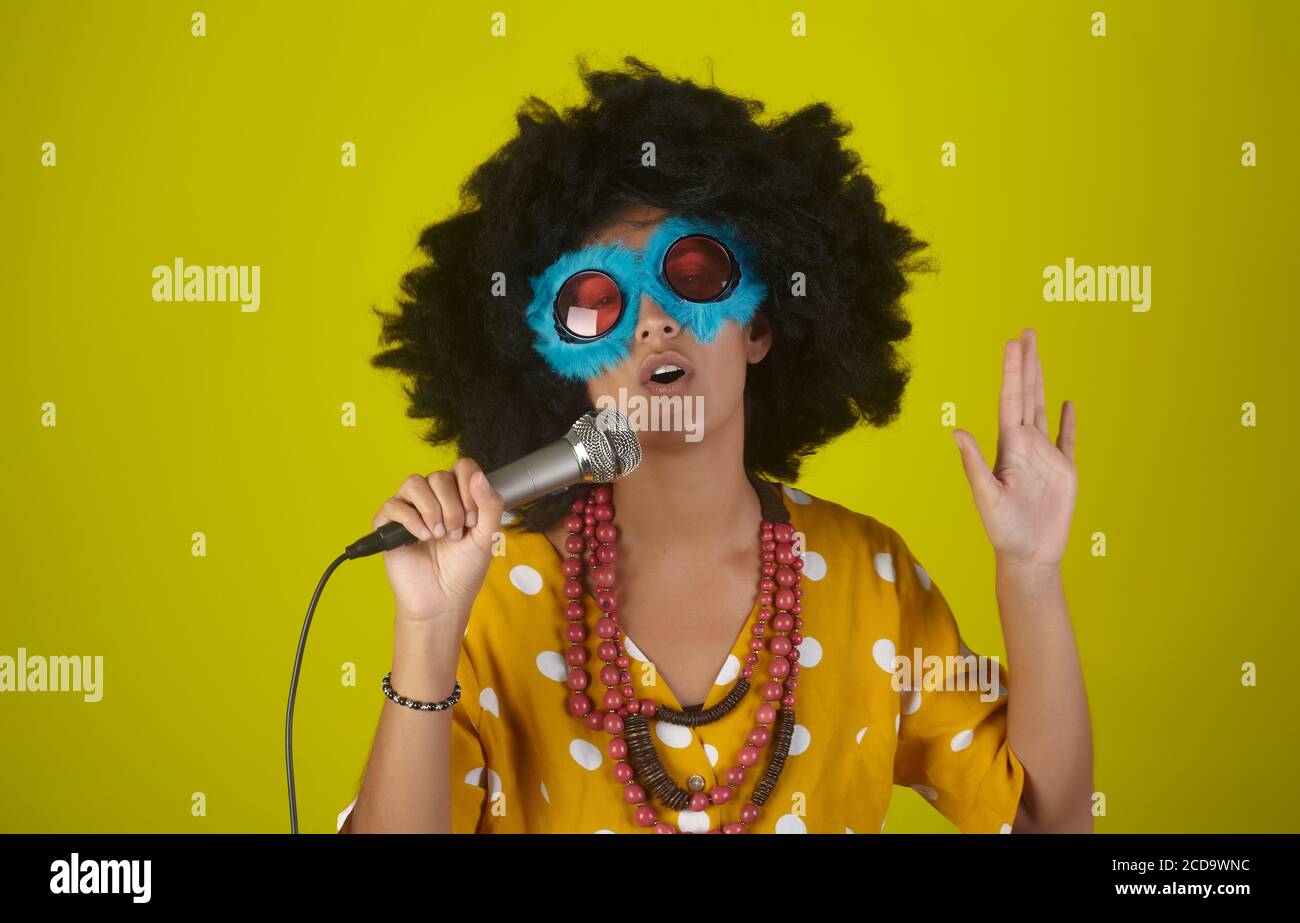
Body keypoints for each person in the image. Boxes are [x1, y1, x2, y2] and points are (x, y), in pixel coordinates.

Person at [337, 56, 1091, 834]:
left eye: (692, 272)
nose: (653, 320)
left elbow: (1047, 824)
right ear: (564, 365)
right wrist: (428, 631)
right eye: (597, 301)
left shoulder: (871, 578)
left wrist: (1030, 574)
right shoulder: (488, 598)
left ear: (758, 327)